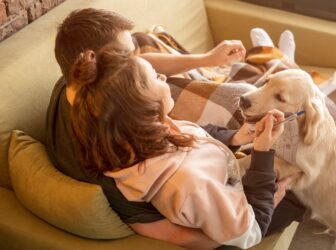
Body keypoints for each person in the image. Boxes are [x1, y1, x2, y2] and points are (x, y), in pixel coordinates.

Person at [46, 8, 304, 249]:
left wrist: (235, 137)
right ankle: (279, 63)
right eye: (127, 56)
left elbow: (187, 133)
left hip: (218, 175)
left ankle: (278, 62)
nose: (161, 75)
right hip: (231, 204)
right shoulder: (115, 161)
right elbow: (231, 231)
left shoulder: (91, 88)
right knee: (300, 185)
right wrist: (264, 168)